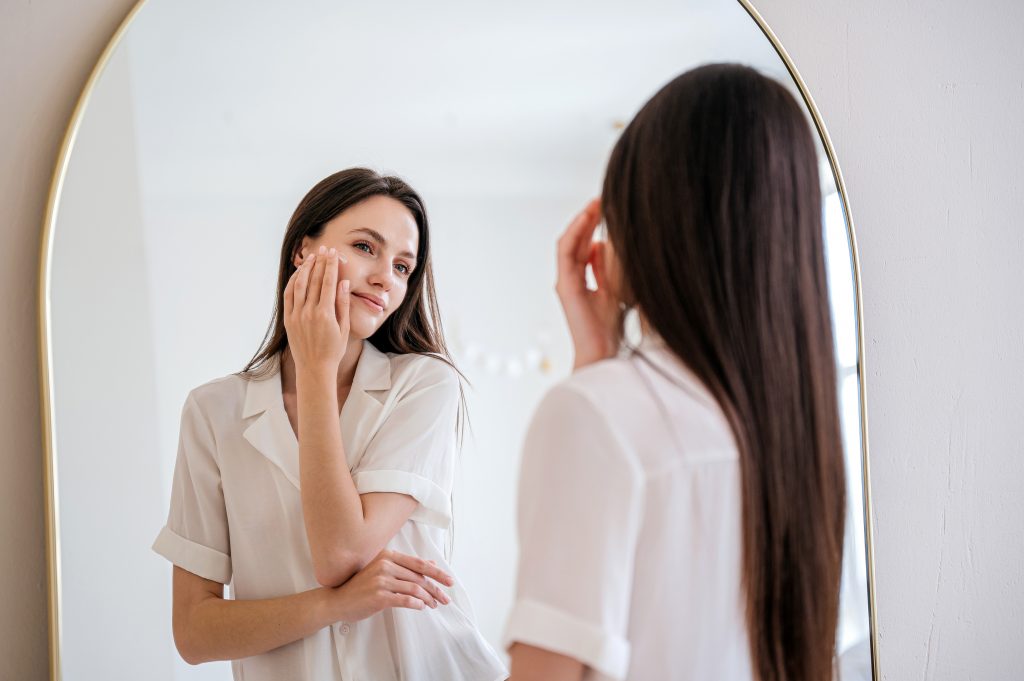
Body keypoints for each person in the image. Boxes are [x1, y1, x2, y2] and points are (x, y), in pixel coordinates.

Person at [504, 63, 847, 681]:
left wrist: (594, 381)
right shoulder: (798, 438)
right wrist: (599, 366)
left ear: (654, 226)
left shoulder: (591, 414)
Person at [152, 168, 507, 681]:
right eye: (366, 247)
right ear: (302, 251)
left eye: (404, 266)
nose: (388, 277)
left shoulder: (425, 385)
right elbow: (193, 631)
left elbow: (340, 554)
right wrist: (334, 606)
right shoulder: (213, 411)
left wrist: (317, 369)